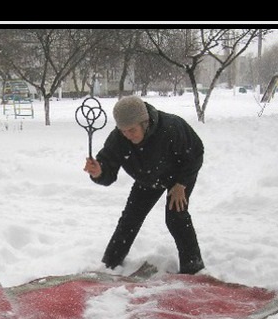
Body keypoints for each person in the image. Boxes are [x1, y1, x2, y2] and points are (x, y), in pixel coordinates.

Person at [83, 95, 205, 274]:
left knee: (175, 217)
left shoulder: (171, 127)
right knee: (130, 218)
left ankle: (193, 267)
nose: (128, 135)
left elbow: (195, 153)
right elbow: (107, 166)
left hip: (177, 177)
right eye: (123, 131)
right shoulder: (119, 138)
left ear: (145, 123)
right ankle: (109, 265)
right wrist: (99, 171)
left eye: (132, 130)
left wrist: (182, 183)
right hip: (147, 179)